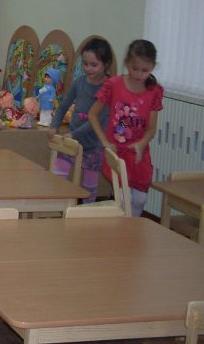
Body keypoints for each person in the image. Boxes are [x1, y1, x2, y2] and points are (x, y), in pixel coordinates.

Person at [88, 40, 163, 217]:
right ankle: (123, 230)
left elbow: (151, 129)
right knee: (123, 199)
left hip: (139, 155)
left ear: (153, 67)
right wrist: (105, 142)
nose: (139, 74)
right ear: (127, 63)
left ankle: (131, 228)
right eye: (135, 69)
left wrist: (141, 144)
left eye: (145, 70)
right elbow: (92, 115)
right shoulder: (113, 85)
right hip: (117, 153)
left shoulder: (154, 91)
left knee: (139, 200)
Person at [48, 37, 114, 201]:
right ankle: (58, 206)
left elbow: (96, 119)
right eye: (85, 64)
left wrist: (74, 134)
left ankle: (86, 211)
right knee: (58, 174)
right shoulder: (79, 82)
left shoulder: (108, 88)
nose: (88, 68)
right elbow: (63, 106)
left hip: (93, 144)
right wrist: (54, 125)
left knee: (89, 186)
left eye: (94, 65)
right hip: (73, 139)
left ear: (106, 64)